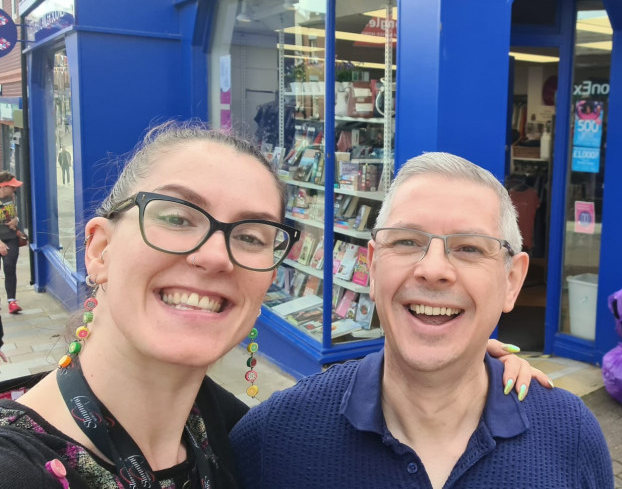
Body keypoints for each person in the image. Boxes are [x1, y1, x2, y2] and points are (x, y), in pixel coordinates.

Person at [0, 123, 547, 488]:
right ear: (99, 248)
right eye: (177, 216)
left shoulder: (230, 432)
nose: (214, 256)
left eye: (252, 235)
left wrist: (458, 364)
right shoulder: (17, 468)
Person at [231, 152, 615, 488]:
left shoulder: (571, 437)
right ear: (373, 265)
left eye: (468, 248)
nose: (433, 270)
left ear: (511, 281)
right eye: (406, 241)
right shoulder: (275, 437)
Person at [0, 172, 24, 315]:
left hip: (11, 237)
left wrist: (16, 220)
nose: (14, 189)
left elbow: (14, 214)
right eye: (12, 187)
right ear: (3, 186)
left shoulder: (10, 197)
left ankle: (12, 301)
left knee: (9, 267)